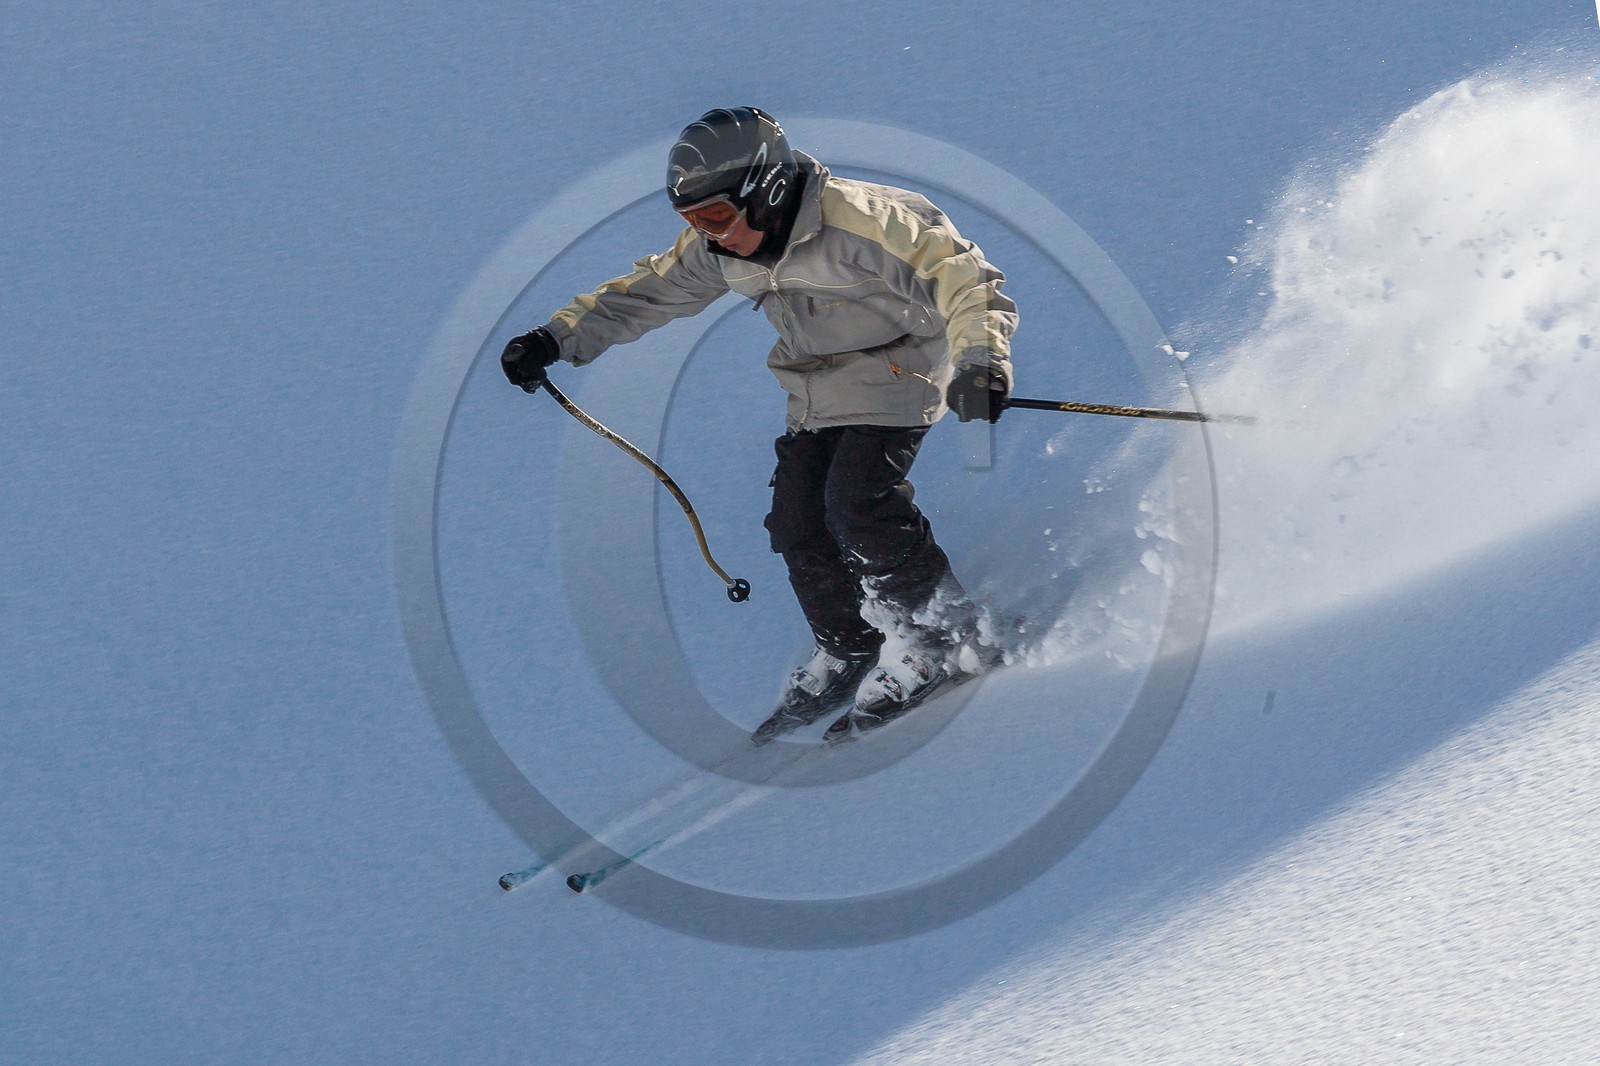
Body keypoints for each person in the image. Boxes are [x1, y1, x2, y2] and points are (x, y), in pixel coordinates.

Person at [501, 107, 1017, 741]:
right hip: (816, 386)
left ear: (766, 190)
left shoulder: (861, 223)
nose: (708, 235)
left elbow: (966, 281)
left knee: (858, 504)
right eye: (691, 221)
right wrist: (556, 338)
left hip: (901, 365)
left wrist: (980, 363)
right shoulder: (720, 250)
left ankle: (943, 635)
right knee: (798, 521)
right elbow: (649, 289)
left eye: (715, 216)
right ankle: (851, 641)